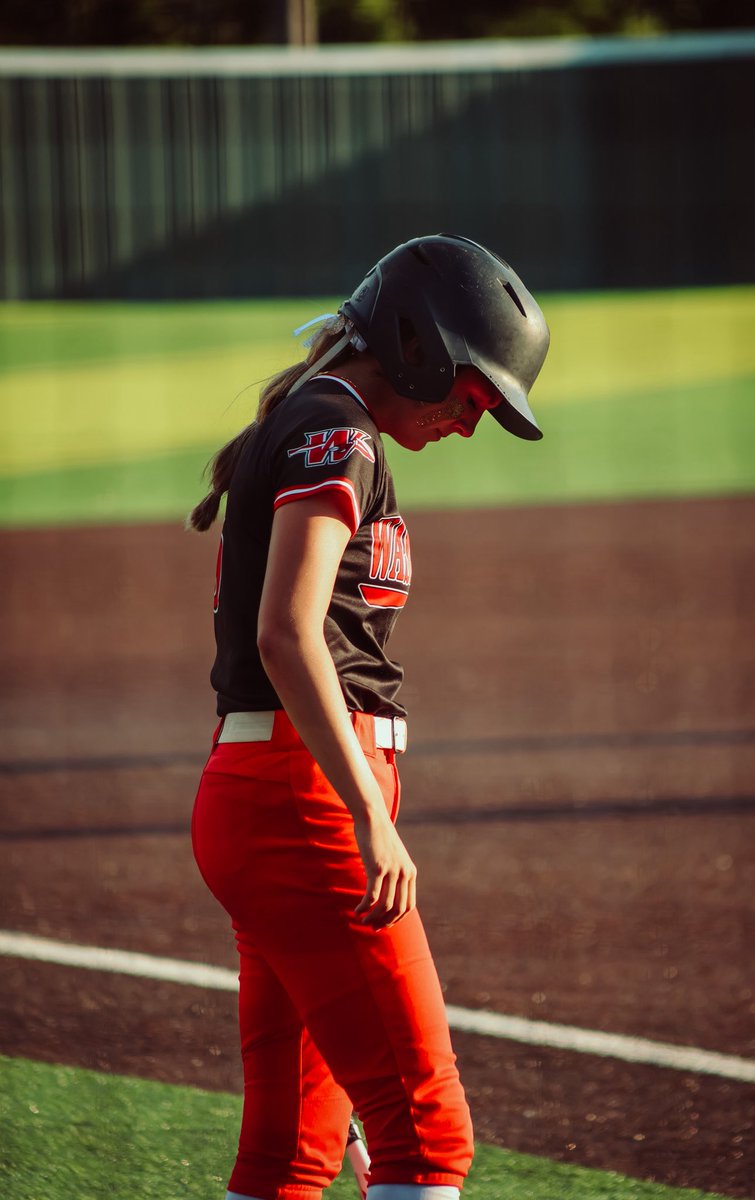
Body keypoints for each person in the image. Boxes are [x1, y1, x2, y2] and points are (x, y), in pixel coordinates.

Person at [188, 233, 549, 1200]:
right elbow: (287, 635)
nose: (470, 426)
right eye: (473, 398)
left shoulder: (317, 424)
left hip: (265, 797)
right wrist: (368, 813)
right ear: (419, 345)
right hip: (307, 804)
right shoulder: (336, 434)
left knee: (292, 1151)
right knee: (426, 1137)